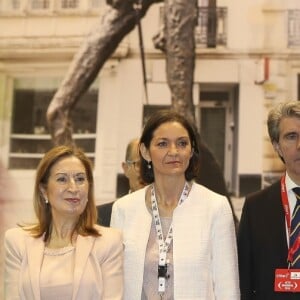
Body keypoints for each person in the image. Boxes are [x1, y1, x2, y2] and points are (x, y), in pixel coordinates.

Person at [111, 110, 239, 299]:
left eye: (182, 143)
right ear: (145, 152)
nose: (174, 151)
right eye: (163, 144)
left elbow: (227, 288)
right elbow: (115, 286)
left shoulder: (215, 207)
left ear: (191, 150)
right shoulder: (124, 209)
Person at [4, 145, 123, 299]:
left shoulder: (109, 242)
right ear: (43, 190)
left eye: (80, 179)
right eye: (62, 179)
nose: (73, 188)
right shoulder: (16, 241)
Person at [238, 101, 300, 299]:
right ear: (277, 146)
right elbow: (244, 282)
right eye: (291, 137)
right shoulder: (256, 208)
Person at [97, 138, 146, 226]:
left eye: (150, 165)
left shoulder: (169, 216)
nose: (145, 172)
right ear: (126, 168)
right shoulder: (101, 216)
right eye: (139, 164)